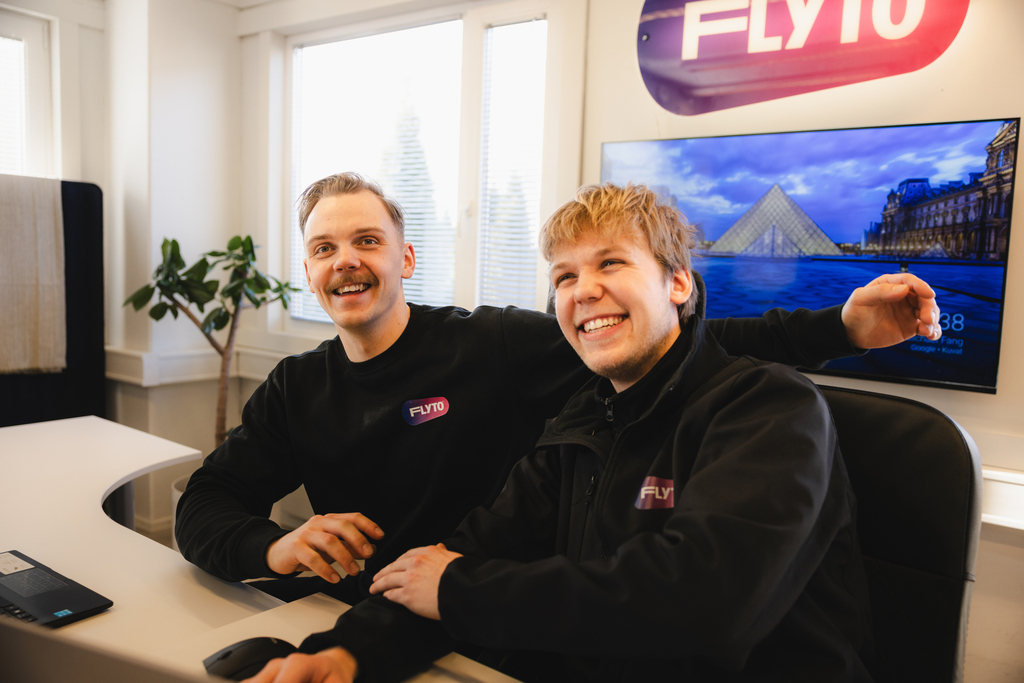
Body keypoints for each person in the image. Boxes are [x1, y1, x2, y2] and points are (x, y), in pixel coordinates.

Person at [175, 172, 939, 610]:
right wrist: (272, 545)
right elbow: (203, 503)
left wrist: (839, 327)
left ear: (405, 258)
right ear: (307, 271)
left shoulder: (491, 344)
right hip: (368, 619)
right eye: (324, 248)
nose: (345, 260)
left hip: (482, 614)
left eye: (367, 240)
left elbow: (681, 342)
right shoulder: (296, 386)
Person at [254, 183, 875, 683]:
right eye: (564, 278)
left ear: (679, 283)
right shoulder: (583, 420)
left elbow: (706, 602)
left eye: (611, 262)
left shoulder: (769, 408)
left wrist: (460, 590)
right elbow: (472, 552)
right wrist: (348, 653)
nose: (585, 291)